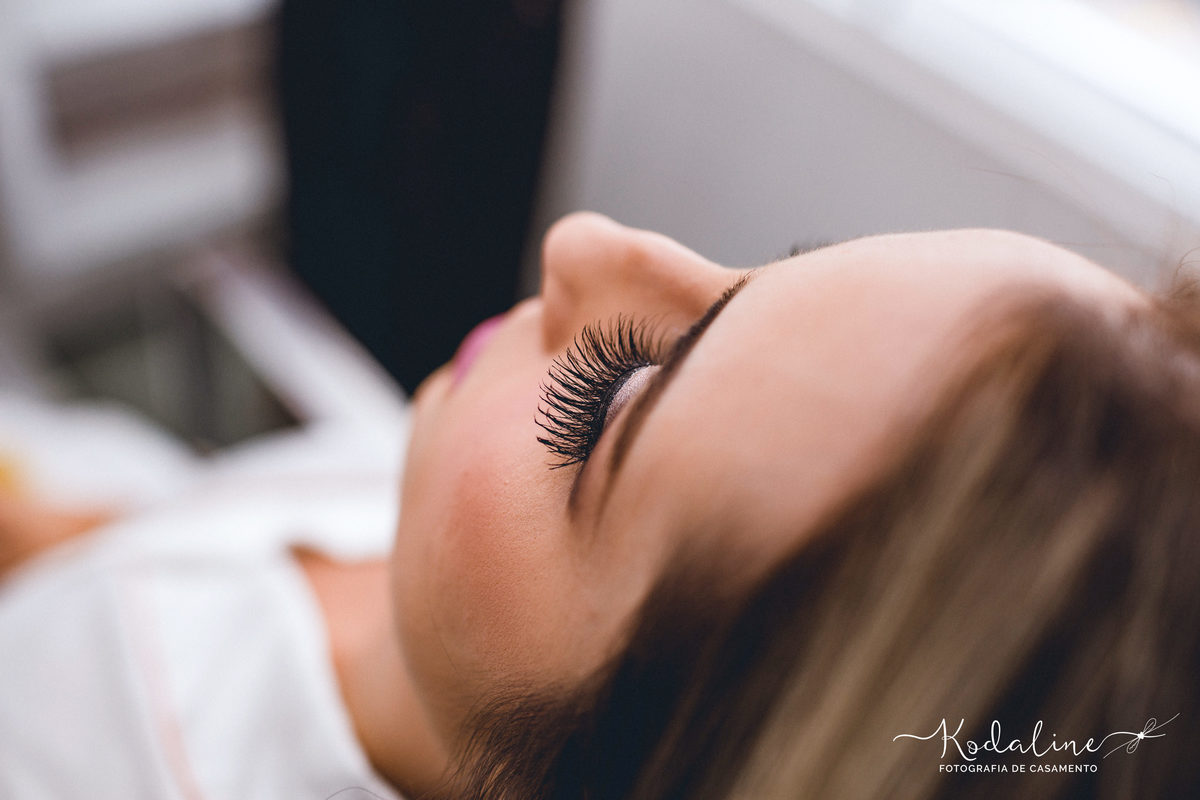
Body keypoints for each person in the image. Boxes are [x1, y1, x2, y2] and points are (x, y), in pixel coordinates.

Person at [3, 212, 1198, 799]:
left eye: (615, 391)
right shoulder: (440, 524)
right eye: (773, 262)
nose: (583, 239)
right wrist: (52, 527)